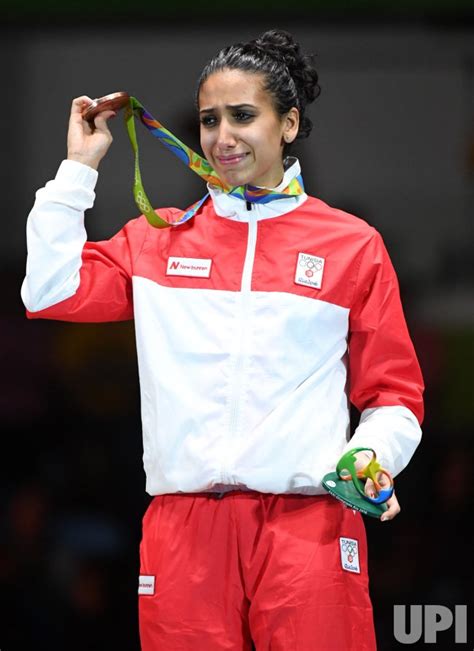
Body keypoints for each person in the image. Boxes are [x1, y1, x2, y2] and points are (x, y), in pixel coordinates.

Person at [21, 28, 424, 651]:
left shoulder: (352, 245)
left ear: (288, 124)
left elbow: (393, 393)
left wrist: (370, 458)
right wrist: (79, 168)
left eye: (243, 115)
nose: (223, 136)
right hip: (183, 530)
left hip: (309, 525)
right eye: (210, 119)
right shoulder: (158, 240)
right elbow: (48, 290)